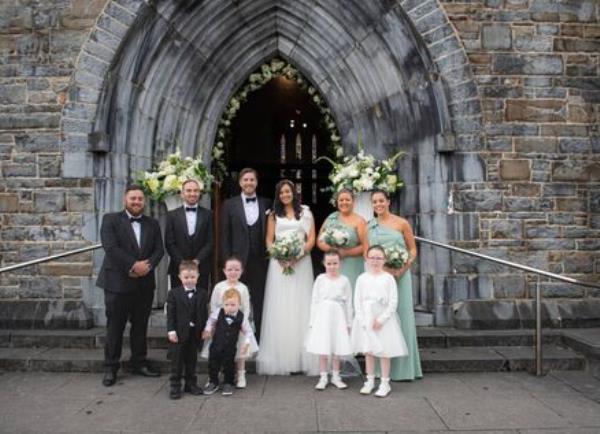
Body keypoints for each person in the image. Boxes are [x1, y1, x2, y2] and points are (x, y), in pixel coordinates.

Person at [96, 184, 164, 387]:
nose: (137, 202)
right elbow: (111, 248)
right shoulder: (111, 220)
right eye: (133, 198)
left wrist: (148, 265)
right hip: (117, 283)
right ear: (125, 199)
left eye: (140, 199)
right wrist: (133, 265)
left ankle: (139, 363)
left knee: (140, 326)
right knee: (115, 327)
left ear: (144, 201)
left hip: (144, 284)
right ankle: (110, 367)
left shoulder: (153, 223)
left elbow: (159, 250)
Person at [257, 179, 318, 375]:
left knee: (301, 305)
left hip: (301, 264)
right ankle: (282, 357)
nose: (285, 195)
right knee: (281, 306)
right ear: (278, 195)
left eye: (288, 191)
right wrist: (278, 255)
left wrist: (297, 255)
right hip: (279, 264)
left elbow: (311, 239)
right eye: (282, 192)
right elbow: (269, 239)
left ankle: (302, 357)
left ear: (294, 193)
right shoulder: (274, 215)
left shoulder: (306, 212)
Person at [368, 189, 422, 381]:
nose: (378, 205)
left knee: (402, 316)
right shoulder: (369, 226)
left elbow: (413, 249)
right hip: (379, 277)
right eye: (374, 202)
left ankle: (405, 369)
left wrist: (403, 267)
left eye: (381, 201)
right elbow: (367, 253)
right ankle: (380, 371)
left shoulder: (402, 223)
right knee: (380, 318)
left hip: (400, 276)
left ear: (388, 201)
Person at [220, 168, 272, 341]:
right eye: (245, 180)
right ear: (240, 183)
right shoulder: (229, 204)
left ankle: (260, 337)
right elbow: (225, 235)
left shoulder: (266, 203)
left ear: (256, 182)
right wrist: (227, 262)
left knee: (260, 299)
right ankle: (234, 335)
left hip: (260, 259)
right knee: (235, 298)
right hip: (237, 261)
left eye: (252, 180)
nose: (249, 183)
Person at [351, 245, 408, 398]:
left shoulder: (388, 278)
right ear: (367, 259)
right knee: (368, 351)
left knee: (384, 351)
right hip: (366, 318)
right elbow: (357, 300)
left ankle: (384, 383)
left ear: (384, 260)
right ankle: (369, 381)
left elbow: (393, 302)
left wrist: (382, 319)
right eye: (372, 258)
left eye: (378, 258)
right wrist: (363, 320)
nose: (375, 261)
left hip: (383, 320)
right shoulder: (362, 278)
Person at [200, 255, 258, 388]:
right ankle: (214, 374)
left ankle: (241, 374)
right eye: (230, 269)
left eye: (236, 269)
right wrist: (213, 324)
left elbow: (246, 307)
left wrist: (241, 321)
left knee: (240, 349)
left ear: (241, 271)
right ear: (224, 271)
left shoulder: (243, 288)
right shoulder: (219, 287)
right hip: (220, 323)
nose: (233, 272)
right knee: (216, 349)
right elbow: (214, 305)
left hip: (238, 322)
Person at [305, 250, 353, 390]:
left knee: (337, 347)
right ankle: (323, 377)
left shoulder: (344, 280)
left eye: (335, 263)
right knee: (323, 347)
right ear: (324, 264)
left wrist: (349, 322)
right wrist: (312, 322)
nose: (332, 266)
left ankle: (336, 376)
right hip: (323, 315)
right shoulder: (320, 279)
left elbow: (349, 303)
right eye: (329, 263)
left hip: (339, 316)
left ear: (340, 263)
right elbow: (314, 300)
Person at [166, 260, 208, 399]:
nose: (189, 280)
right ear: (179, 277)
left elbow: (204, 313)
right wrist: (171, 331)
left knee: (192, 360)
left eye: (192, 277)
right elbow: (171, 314)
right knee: (177, 361)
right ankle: (175, 386)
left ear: (198, 276)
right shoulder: (173, 294)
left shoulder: (202, 293)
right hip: (178, 333)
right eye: (186, 277)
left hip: (194, 333)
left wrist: (204, 329)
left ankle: (190, 384)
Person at [202, 288, 255, 396]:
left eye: (233, 305)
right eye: (226, 304)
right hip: (216, 345)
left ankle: (228, 382)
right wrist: (207, 330)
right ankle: (213, 382)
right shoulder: (218, 312)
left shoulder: (241, 317)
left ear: (239, 304)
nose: (229, 307)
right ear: (223, 304)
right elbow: (210, 321)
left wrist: (247, 343)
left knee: (229, 365)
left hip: (230, 347)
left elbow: (248, 331)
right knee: (213, 364)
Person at [165, 179, 213, 290]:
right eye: (189, 190)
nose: (192, 193)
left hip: (201, 268)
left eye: (196, 191)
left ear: (199, 194)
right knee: (178, 302)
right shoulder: (172, 215)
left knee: (200, 303)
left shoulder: (208, 214)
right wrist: (182, 263)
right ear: (182, 194)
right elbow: (169, 242)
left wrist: (197, 260)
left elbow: (210, 241)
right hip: (178, 268)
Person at [316, 188, 367, 290]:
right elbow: (319, 241)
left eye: (347, 200)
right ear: (337, 202)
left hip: (352, 264)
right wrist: (332, 250)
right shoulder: (331, 217)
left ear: (353, 201)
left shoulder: (360, 221)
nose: (344, 202)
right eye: (341, 200)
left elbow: (365, 246)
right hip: (332, 264)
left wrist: (346, 252)